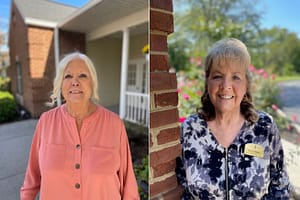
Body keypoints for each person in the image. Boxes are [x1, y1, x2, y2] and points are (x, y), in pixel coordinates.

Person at [176, 38, 291, 199]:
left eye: (235, 77)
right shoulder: (190, 129)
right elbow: (183, 187)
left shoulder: (264, 127)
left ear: (246, 83)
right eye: (217, 76)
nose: (226, 85)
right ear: (207, 81)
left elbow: (280, 185)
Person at [20, 52, 140, 200]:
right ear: (60, 84)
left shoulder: (114, 124)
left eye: (83, 75)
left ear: (92, 83)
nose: (75, 82)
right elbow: (31, 180)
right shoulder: (46, 122)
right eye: (68, 76)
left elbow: (128, 185)